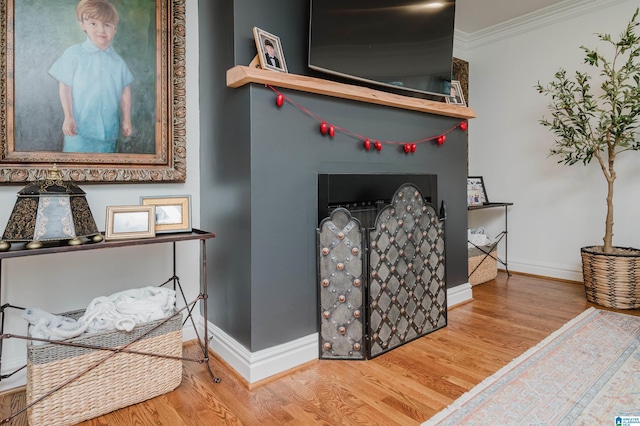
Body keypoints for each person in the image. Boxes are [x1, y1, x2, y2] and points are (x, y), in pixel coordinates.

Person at [49, 0, 134, 153]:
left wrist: (126, 119)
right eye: (94, 23)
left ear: (115, 28)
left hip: (108, 133)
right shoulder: (73, 55)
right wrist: (68, 117)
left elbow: (125, 90)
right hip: (79, 131)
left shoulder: (118, 62)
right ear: (82, 24)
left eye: (107, 24)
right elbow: (65, 87)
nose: (101, 30)